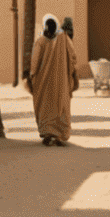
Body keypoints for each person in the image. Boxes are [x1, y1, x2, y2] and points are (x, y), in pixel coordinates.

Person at [28, 14, 77, 147]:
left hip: (43, 84)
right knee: (61, 107)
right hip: (61, 83)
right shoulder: (65, 40)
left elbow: (35, 63)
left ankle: (48, 134)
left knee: (45, 107)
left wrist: (32, 76)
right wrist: (70, 73)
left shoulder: (41, 41)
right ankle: (60, 135)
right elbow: (73, 57)